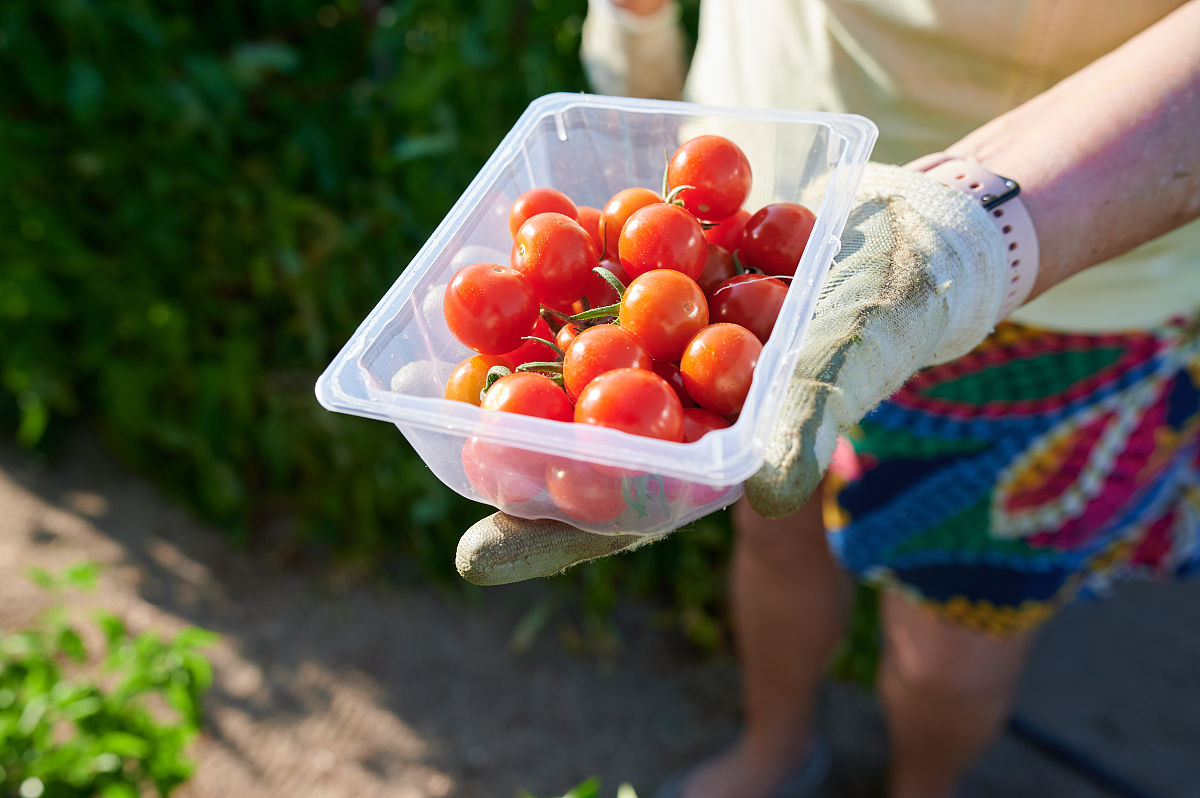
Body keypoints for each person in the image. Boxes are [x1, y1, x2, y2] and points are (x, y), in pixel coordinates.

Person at [457, 2, 1200, 796]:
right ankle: (775, 751)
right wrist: (636, 32)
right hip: (767, 186)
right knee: (777, 523)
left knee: (955, 629)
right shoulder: (690, 272)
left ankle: (923, 785)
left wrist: (978, 230)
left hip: (1068, 275)